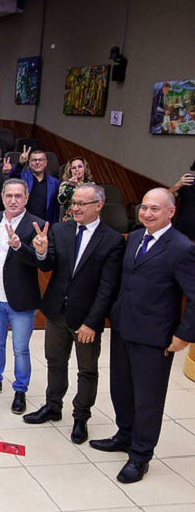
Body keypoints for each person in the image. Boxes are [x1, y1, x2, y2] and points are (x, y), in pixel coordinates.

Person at [90, 188, 195, 484]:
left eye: (155, 209)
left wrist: (183, 336)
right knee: (121, 390)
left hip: (155, 337)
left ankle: (140, 456)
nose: (147, 213)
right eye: (144, 208)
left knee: (147, 399)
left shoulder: (182, 247)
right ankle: (124, 436)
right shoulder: (135, 238)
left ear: (171, 212)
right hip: (124, 328)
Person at [24, 184, 125, 446]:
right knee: (55, 361)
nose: (75, 208)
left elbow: (108, 287)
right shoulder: (60, 229)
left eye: (82, 204)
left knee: (87, 370)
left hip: (86, 319)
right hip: (57, 312)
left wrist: (93, 322)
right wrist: (42, 250)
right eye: (74, 203)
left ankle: (81, 417)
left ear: (98, 206)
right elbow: (47, 267)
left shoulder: (112, 239)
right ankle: (53, 406)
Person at [0, 179, 44, 413]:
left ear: (26, 198)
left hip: (22, 299)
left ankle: (20, 390)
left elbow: (40, 262)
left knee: (20, 348)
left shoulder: (37, 225)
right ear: (2, 197)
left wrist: (19, 247)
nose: (13, 200)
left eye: (18, 196)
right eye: (9, 196)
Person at [9, 146, 60, 223]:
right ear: (29, 163)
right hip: (23, 223)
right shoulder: (23, 176)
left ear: (45, 163)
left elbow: (55, 209)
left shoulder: (55, 183)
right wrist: (20, 163)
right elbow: (12, 177)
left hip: (44, 225)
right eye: (34, 160)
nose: (37, 162)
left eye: (40, 160)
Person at [57, 156, 93, 221]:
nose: (77, 169)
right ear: (70, 170)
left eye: (80, 167)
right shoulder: (65, 184)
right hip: (70, 220)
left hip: (86, 219)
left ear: (85, 169)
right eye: (74, 168)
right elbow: (61, 201)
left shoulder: (91, 185)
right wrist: (70, 186)